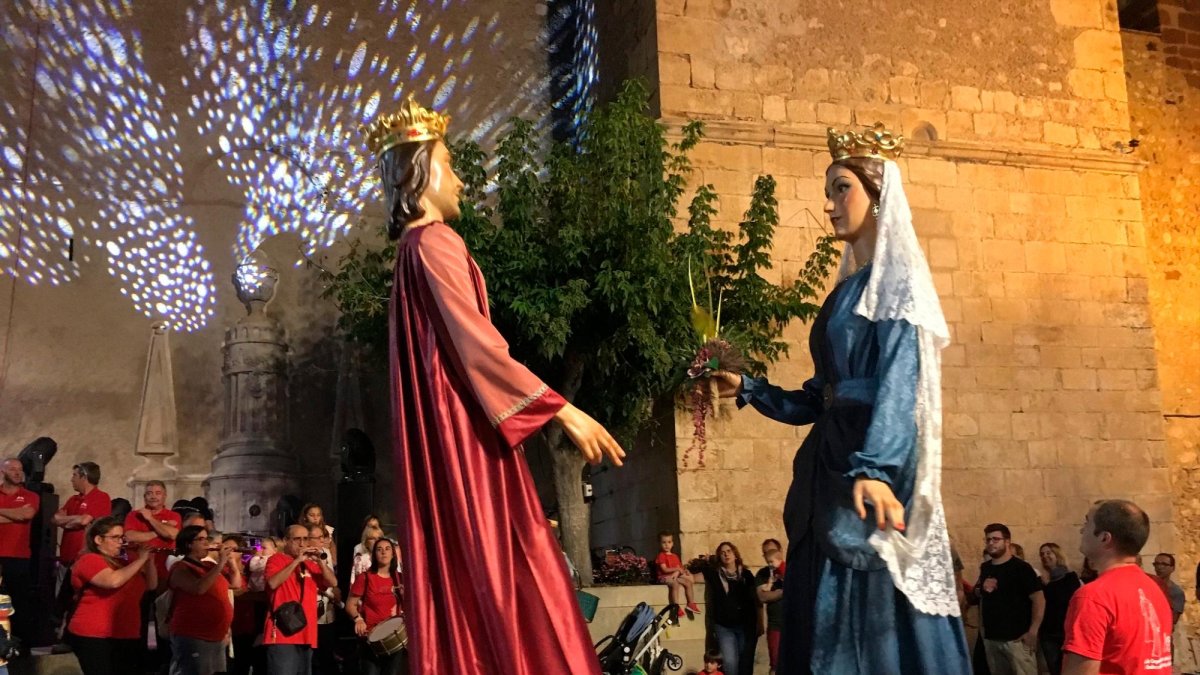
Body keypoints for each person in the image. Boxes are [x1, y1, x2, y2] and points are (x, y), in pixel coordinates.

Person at [364, 97, 624, 673]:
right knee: (513, 564)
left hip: (453, 435)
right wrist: (563, 410)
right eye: (450, 164)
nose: (458, 178)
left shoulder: (412, 252)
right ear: (424, 172)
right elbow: (476, 342)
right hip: (466, 441)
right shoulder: (434, 243)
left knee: (478, 571)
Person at [713, 123, 968, 673]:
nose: (829, 205)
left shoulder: (899, 283)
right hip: (828, 467)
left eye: (841, 188)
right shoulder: (847, 289)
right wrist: (750, 388)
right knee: (817, 601)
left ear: (880, 197)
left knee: (864, 606)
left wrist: (876, 466)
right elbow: (820, 395)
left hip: (868, 465)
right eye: (829, 191)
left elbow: (903, 381)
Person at [1062, 500, 1172, 674]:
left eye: (1087, 523)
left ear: (1104, 538)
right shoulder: (1154, 589)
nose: (1082, 530)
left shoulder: (1093, 597)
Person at [67, 516, 157, 675]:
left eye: (122, 537)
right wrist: (140, 559)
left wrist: (149, 562)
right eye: (115, 537)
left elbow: (151, 585)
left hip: (126, 632)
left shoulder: (125, 564)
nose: (120, 542)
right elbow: (112, 581)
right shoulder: (89, 559)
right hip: (95, 634)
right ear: (98, 539)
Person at [263, 524, 336, 674]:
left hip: (306, 633)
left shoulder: (309, 564)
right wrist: (296, 561)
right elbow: (273, 582)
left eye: (306, 539)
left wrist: (320, 561)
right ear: (286, 541)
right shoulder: (276, 560)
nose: (302, 543)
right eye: (297, 539)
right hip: (283, 634)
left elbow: (332, 582)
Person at [168, 525, 242, 675]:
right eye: (201, 539)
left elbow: (235, 584)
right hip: (194, 635)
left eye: (206, 539)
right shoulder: (180, 568)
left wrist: (232, 562)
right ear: (189, 544)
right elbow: (198, 588)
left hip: (217, 636)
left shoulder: (209, 566)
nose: (206, 543)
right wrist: (220, 564)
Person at [974, 523, 1043, 675]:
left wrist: (1033, 631)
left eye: (995, 539)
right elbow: (980, 595)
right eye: (988, 540)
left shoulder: (1022, 568)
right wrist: (981, 589)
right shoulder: (986, 567)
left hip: (1017, 639)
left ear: (1007, 541)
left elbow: (1038, 599)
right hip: (992, 639)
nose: (991, 543)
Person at [52, 462, 112, 628]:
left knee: (75, 599)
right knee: (60, 599)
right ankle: (58, 633)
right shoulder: (73, 499)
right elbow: (55, 518)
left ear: (84, 477)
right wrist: (75, 519)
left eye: (74, 476)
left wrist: (68, 520)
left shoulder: (101, 497)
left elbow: (85, 520)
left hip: (83, 559)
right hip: (65, 558)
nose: (71, 480)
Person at [346, 538, 407, 675]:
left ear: (393, 554)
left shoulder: (400, 578)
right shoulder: (365, 577)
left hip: (394, 636)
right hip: (370, 638)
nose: (383, 552)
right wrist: (358, 619)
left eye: (387, 549)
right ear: (374, 555)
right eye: (379, 549)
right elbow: (350, 604)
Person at [699, 542, 758, 675]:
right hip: (724, 626)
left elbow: (756, 600)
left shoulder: (746, 575)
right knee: (730, 663)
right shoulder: (714, 574)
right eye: (722, 552)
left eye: (729, 551)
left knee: (745, 663)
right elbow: (695, 575)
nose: (726, 554)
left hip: (745, 625)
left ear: (735, 554)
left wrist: (760, 623)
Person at [0, 457, 39, 645]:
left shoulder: (31, 496)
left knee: (19, 604)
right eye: (13, 469)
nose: (17, 473)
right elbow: (19, 514)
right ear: (2, 472)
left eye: (20, 469)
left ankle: (21, 647)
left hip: (18, 558)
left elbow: (27, 514)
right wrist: (15, 514)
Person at [124, 481, 182, 588]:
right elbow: (130, 536)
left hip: (165, 570)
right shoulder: (134, 515)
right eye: (149, 493)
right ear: (144, 496)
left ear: (165, 496)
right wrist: (160, 531)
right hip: (139, 569)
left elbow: (173, 535)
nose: (153, 496)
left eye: (158, 493)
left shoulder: (173, 515)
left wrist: (150, 519)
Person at [1037, 542, 1082, 675]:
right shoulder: (1043, 581)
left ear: (1057, 555)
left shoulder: (1071, 579)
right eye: (1042, 554)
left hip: (1066, 632)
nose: (1045, 556)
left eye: (1048, 553)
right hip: (1048, 633)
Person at [654, 531, 699, 617]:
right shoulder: (661, 556)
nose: (667, 545)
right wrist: (677, 569)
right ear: (660, 544)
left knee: (688, 583)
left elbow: (680, 568)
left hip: (674, 576)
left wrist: (685, 571)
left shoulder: (675, 556)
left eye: (669, 542)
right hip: (664, 577)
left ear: (672, 543)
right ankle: (675, 607)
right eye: (664, 542)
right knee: (675, 584)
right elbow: (665, 570)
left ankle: (691, 603)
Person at [756, 547, 785, 675]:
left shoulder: (783, 569)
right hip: (775, 623)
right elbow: (763, 595)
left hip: (790, 621)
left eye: (771, 561)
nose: (769, 565)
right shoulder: (766, 573)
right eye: (768, 562)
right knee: (775, 660)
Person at [1150, 553, 1185, 627]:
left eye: (1164, 564)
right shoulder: (1149, 586)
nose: (1159, 567)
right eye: (1156, 564)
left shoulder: (1176, 592)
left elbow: (1173, 619)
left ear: (1172, 568)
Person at [299, 504, 335, 568]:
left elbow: (333, 550)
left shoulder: (327, 530)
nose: (315, 518)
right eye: (312, 515)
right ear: (305, 517)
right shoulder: (301, 531)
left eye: (318, 515)